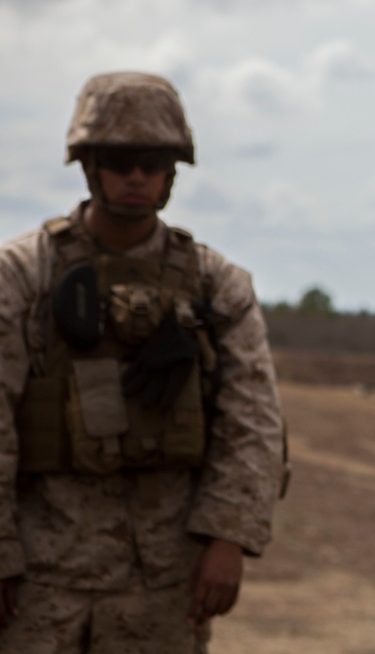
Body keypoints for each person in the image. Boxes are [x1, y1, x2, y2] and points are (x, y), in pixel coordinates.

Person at [0, 71, 287, 653]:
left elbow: (253, 422)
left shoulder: (215, 283)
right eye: (119, 160)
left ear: (172, 171)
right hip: (41, 571)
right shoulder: (23, 274)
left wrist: (229, 539)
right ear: (88, 166)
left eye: (153, 162)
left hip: (166, 576)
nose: (137, 176)